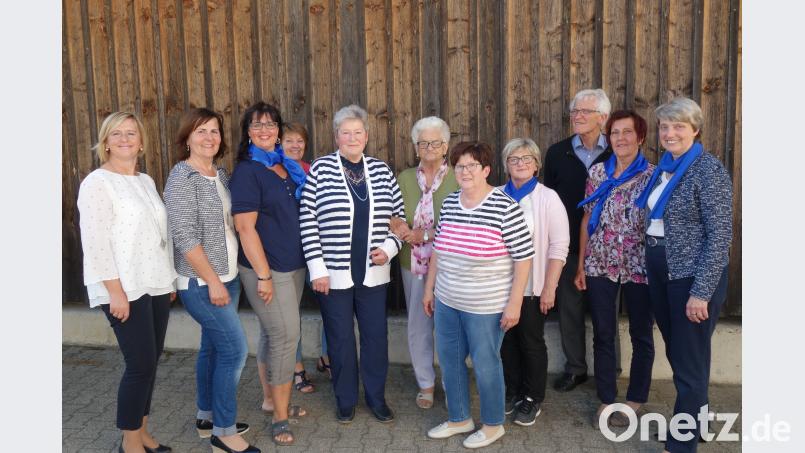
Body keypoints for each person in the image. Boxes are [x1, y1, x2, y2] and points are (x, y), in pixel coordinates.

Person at [77, 112, 177, 453]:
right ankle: (130, 442)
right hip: (124, 287)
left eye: (131, 133)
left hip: (155, 281)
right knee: (139, 365)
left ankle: (143, 432)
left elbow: (157, 234)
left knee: (151, 360)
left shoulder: (145, 181)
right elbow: (95, 242)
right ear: (105, 142)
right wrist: (115, 292)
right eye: (116, 134)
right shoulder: (96, 183)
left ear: (141, 141)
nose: (124, 139)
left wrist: (169, 278)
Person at [637, 97, 732, 453]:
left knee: (688, 361)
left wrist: (701, 292)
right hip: (662, 269)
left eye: (678, 126)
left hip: (691, 275)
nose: (670, 133)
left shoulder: (708, 170)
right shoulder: (666, 167)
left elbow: (720, 234)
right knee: (680, 354)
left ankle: (682, 443)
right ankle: (697, 420)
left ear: (695, 129)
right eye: (664, 127)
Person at [424, 141, 534, 449]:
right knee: (449, 360)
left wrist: (515, 304)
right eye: (459, 166)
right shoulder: (448, 202)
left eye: (472, 165)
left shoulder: (505, 207)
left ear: (486, 170)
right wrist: (430, 288)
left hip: (485, 306)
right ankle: (459, 418)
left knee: (486, 364)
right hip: (448, 301)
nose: (465, 171)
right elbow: (438, 250)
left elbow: (524, 257)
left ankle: (493, 424)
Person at [299, 104, 405, 424]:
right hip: (333, 275)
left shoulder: (382, 170)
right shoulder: (321, 169)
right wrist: (317, 268)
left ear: (367, 136)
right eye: (346, 132)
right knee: (341, 338)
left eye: (358, 132)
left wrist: (389, 247)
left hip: (373, 272)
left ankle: (375, 397)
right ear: (336, 136)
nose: (352, 137)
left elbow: (398, 219)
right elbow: (308, 220)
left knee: (375, 338)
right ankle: (345, 399)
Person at [163, 108, 256, 453]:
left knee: (213, 347)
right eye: (201, 131)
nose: (209, 138)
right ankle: (224, 432)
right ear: (187, 138)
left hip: (227, 278)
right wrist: (213, 281)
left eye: (214, 131)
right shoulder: (181, 177)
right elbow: (185, 237)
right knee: (235, 349)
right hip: (202, 284)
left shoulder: (221, 175)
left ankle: (206, 417)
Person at [229, 102, 308, 446]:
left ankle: (269, 399)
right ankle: (280, 416)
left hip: (294, 265)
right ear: (247, 132)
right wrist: (262, 274)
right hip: (267, 268)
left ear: (278, 129)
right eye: (257, 125)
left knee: (272, 334)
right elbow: (245, 228)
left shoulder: (284, 165)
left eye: (271, 124)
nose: (265, 130)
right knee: (286, 337)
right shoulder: (248, 171)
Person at [574, 110, 656, 428]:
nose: (620, 138)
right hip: (600, 263)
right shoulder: (597, 173)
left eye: (627, 132)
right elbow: (586, 219)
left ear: (641, 137)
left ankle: (635, 400)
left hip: (640, 266)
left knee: (641, 334)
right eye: (615, 133)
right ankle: (607, 400)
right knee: (604, 333)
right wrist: (580, 264)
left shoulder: (652, 175)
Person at [543, 88, 613, 392]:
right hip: (568, 245)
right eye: (575, 111)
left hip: (610, 248)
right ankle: (575, 368)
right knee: (569, 309)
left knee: (604, 311)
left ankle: (609, 371)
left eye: (585, 111)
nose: (578, 116)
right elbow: (547, 199)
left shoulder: (618, 151)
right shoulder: (558, 152)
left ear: (603, 118)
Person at [388, 116, 458, 409]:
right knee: (418, 324)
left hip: (451, 263)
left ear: (445, 146)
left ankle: (452, 382)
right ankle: (426, 384)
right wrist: (400, 227)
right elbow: (390, 211)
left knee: (450, 325)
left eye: (435, 142)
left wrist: (424, 233)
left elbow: (461, 221)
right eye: (423, 143)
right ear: (416, 147)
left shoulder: (460, 176)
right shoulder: (403, 178)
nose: (429, 148)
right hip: (412, 264)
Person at [498, 138, 569, 427]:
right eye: (514, 159)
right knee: (505, 343)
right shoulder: (496, 195)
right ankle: (513, 390)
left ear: (537, 164)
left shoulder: (547, 198)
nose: (521, 164)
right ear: (506, 165)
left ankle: (532, 398)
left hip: (532, 287)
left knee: (530, 341)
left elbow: (559, 245)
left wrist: (549, 287)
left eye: (527, 159)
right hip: (500, 286)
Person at [280, 122, 330, 387]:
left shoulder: (314, 171)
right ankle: (297, 366)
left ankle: (326, 356)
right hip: (289, 253)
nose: (295, 145)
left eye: (300, 140)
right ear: (279, 143)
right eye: (289, 140)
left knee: (330, 306)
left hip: (317, 250)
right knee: (291, 314)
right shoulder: (276, 171)